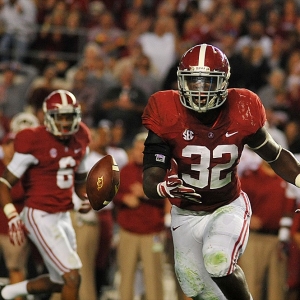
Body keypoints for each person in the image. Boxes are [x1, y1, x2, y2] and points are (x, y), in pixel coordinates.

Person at [141, 43, 300, 300]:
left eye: (208, 82)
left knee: (219, 262)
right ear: (181, 81)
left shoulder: (243, 109)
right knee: (197, 289)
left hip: (227, 205)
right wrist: (161, 187)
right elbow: (151, 174)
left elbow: (275, 154)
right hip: (185, 212)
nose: (201, 91)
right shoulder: (165, 111)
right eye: (194, 82)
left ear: (224, 82)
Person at [0, 89, 91, 300]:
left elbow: (79, 182)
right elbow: (4, 182)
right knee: (73, 277)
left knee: (60, 281)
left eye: (70, 117)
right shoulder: (33, 139)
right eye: (61, 117)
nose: (66, 123)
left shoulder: (82, 136)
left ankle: (10, 291)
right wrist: (12, 213)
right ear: (48, 117)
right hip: (39, 214)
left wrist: (86, 198)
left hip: (63, 215)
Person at [113, 132, 165, 300]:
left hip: (152, 233)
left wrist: (146, 193)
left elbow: (170, 197)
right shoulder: (125, 170)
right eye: (136, 149)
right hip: (128, 232)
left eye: (143, 150)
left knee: (153, 276)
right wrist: (124, 198)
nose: (138, 153)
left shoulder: (160, 172)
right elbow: (112, 195)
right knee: (126, 276)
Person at [239, 159, 296, 300]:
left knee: (276, 290)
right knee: (251, 287)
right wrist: (247, 218)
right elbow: (234, 204)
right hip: (254, 239)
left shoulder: (286, 177)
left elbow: (292, 210)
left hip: (278, 239)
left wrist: (287, 237)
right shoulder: (250, 176)